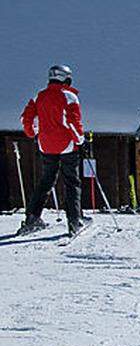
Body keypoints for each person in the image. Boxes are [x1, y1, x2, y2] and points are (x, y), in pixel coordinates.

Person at [18, 64, 87, 236]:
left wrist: (33, 134)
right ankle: (74, 220)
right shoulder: (69, 96)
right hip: (66, 145)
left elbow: (26, 118)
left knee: (46, 180)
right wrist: (80, 140)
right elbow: (73, 122)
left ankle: (32, 218)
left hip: (46, 145)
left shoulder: (39, 96)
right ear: (66, 78)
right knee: (72, 182)